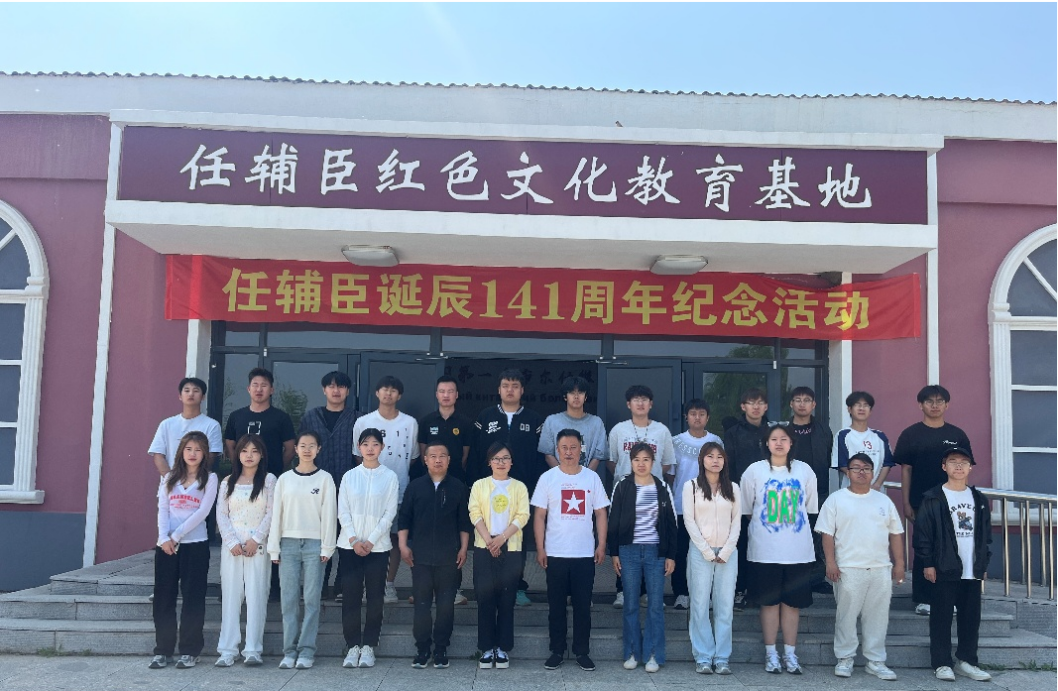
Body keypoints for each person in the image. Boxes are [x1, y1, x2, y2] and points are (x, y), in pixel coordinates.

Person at [816, 452, 904, 681]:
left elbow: (896, 534)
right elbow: (827, 534)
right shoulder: (836, 499)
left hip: (880, 567)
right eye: (856, 468)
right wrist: (830, 563)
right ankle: (845, 658)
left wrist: (899, 564)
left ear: (873, 472)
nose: (861, 472)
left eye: (866, 468)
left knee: (877, 617)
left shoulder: (883, 501)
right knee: (846, 616)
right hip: (848, 568)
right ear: (848, 472)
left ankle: (875, 661)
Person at [741, 423, 818, 675]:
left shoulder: (804, 470)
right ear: (766, 443)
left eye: (784, 439)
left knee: (792, 604)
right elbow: (747, 508)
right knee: (769, 604)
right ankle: (771, 654)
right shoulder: (754, 471)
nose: (779, 443)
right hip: (765, 551)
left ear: (792, 443)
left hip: (797, 551)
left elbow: (809, 507)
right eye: (774, 439)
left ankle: (790, 654)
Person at [532, 429, 610, 672]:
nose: (568, 452)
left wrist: (601, 544)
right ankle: (556, 650)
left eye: (573, 447)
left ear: (580, 450)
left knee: (582, 606)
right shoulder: (548, 478)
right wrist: (540, 547)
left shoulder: (591, 478)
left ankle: (581, 652)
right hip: (555, 553)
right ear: (557, 450)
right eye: (564, 447)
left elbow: (601, 513)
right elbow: (539, 515)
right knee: (556, 606)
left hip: (584, 554)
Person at [913, 447, 993, 682]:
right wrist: (928, 563)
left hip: (972, 568)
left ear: (970, 468)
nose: (958, 466)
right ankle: (941, 663)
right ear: (944, 466)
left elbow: (985, 535)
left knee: (970, 618)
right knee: (941, 617)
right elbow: (923, 534)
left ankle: (967, 661)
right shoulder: (933, 498)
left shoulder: (978, 499)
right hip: (944, 566)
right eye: (953, 461)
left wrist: (982, 563)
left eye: (964, 462)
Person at [895, 385, 973, 616]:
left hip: (953, 502)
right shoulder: (910, 434)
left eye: (940, 401)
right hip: (921, 502)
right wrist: (906, 503)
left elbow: (964, 469)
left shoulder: (957, 435)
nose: (935, 405)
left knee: (952, 549)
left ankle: (950, 599)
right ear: (920, 405)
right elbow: (906, 470)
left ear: (947, 405)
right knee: (924, 550)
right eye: (929, 401)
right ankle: (924, 599)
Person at [267, 430, 337, 670]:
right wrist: (274, 548)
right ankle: (289, 651)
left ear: (319, 449)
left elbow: (329, 514)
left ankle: (307, 650)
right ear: (295, 449)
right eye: (303, 445)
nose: (307, 449)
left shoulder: (325, 479)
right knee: (288, 600)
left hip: (315, 544)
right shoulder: (285, 479)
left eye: (312, 445)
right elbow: (277, 514)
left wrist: (328, 546)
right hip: (287, 544)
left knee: (311, 599)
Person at [398, 442, 472, 670]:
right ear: (425, 460)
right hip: (419, 557)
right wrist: (403, 545)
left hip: (448, 556)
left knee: (445, 606)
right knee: (421, 605)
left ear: (449, 460)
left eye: (442, 456)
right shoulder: (415, 487)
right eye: (433, 456)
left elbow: (464, 522)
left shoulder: (458, 487)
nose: (438, 460)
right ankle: (422, 649)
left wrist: (463, 548)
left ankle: (441, 649)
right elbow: (404, 518)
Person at [473, 369, 543, 606]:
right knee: (488, 536)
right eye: (505, 385)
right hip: (489, 490)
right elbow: (476, 454)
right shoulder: (486, 416)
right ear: (499, 389)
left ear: (522, 390)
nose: (510, 390)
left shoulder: (534, 419)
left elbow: (539, 459)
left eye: (515, 386)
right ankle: (490, 586)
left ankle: (517, 587)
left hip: (520, 491)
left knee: (516, 539)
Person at [149, 431, 219, 670]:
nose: (193, 454)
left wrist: (176, 536)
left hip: (195, 546)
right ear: (181, 452)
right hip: (166, 547)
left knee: (193, 598)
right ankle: (163, 650)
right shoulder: (169, 477)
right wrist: (163, 538)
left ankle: (190, 651)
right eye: (189, 449)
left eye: (198, 450)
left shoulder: (210, 478)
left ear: (205, 454)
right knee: (163, 598)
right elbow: (162, 509)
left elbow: (203, 512)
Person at [608, 443, 676, 673]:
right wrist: (614, 552)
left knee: (655, 604)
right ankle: (632, 652)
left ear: (653, 462)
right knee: (630, 603)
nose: (641, 464)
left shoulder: (662, 487)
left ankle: (653, 654)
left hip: (655, 552)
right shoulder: (622, 487)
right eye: (637, 459)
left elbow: (671, 524)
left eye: (646, 459)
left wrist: (670, 555)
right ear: (630, 461)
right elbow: (613, 521)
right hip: (629, 551)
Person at [352, 375, 420, 604]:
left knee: (393, 538)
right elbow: (357, 456)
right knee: (368, 536)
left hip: (399, 491)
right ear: (377, 393)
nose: (388, 393)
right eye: (384, 389)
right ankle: (369, 586)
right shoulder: (363, 422)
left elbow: (413, 457)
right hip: (368, 492)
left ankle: (388, 585)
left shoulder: (410, 423)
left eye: (393, 390)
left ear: (399, 395)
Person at [607, 384, 674, 607]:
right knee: (624, 539)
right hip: (625, 493)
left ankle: (648, 593)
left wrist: (649, 479)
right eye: (636, 399)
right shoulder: (618, 430)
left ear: (651, 404)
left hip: (652, 493)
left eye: (644, 399)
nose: (640, 403)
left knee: (650, 540)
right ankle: (622, 590)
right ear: (628, 404)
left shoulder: (661, 431)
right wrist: (628, 481)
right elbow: (612, 461)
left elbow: (666, 463)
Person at [337, 428, 399, 670]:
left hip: (378, 547)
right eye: (365, 444)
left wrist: (371, 540)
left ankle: (369, 646)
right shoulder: (349, 476)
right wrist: (354, 539)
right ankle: (352, 645)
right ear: (358, 448)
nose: (370, 448)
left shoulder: (390, 477)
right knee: (351, 596)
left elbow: (390, 513)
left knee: (375, 597)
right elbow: (343, 510)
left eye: (375, 444)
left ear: (382, 447)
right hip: (349, 546)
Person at [215, 434, 276, 667]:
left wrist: (256, 539)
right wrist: (231, 542)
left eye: (254, 451)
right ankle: (228, 650)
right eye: (244, 451)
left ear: (262, 455)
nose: (249, 455)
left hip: (257, 547)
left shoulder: (269, 480)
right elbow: (222, 514)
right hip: (232, 548)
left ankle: (253, 649)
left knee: (256, 595)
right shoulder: (227, 482)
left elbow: (272, 513)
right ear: (237, 454)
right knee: (231, 597)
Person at [469, 442, 530, 669]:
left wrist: (502, 538)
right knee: (485, 598)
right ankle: (486, 648)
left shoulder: (519, 487)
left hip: (510, 548)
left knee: (506, 599)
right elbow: (474, 512)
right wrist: (489, 540)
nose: (501, 462)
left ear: (511, 462)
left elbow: (523, 516)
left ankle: (502, 648)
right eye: (496, 458)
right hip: (484, 546)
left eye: (505, 458)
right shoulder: (479, 485)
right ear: (489, 462)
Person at [298, 371, 358, 601]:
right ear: (324, 390)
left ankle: (343, 586)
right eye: (331, 386)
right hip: (316, 487)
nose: (336, 390)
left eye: (341, 386)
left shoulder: (357, 418)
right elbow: (302, 450)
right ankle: (318, 586)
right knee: (319, 539)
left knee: (346, 538)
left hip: (348, 488)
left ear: (347, 391)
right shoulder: (310, 417)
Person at [684, 441, 741, 676]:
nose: (715, 460)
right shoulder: (691, 486)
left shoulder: (733, 488)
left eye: (719, 456)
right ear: (702, 460)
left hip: (728, 553)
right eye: (710, 456)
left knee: (725, 606)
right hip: (701, 552)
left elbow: (736, 522)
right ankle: (703, 656)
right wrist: (707, 551)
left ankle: (722, 657)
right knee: (699, 604)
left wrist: (726, 550)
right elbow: (689, 520)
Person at [419, 375, 475, 605]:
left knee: (454, 536)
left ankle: (454, 589)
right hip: (430, 486)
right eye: (442, 391)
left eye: (450, 391)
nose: (446, 395)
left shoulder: (465, 423)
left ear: (456, 395)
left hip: (455, 486)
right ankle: (427, 589)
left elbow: (465, 456)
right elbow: (423, 452)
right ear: (436, 394)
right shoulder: (426, 422)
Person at [668, 399, 722, 610]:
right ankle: (681, 593)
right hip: (682, 506)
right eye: (693, 414)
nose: (697, 418)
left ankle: (705, 595)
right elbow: (671, 476)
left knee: (706, 551)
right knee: (681, 552)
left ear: (708, 417)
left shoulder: (715, 441)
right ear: (686, 417)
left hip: (708, 507)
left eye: (701, 414)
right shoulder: (675, 442)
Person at [722, 388, 769, 609]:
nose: (756, 407)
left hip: (770, 500)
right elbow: (728, 467)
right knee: (740, 546)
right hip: (740, 498)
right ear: (743, 407)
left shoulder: (773, 432)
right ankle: (739, 590)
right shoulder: (733, 433)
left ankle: (761, 592)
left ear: (766, 407)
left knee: (765, 547)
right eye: (751, 403)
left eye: (760, 403)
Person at [788, 386, 835, 596]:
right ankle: (793, 579)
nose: (802, 404)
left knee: (817, 536)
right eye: (798, 400)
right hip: (790, 492)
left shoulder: (823, 430)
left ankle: (816, 580)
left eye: (806, 400)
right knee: (792, 535)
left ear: (813, 404)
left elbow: (829, 457)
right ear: (791, 404)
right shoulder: (784, 432)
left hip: (819, 491)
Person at [223, 368, 296, 479]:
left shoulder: (281, 417)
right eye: (255, 385)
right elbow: (229, 446)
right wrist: (238, 468)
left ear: (271, 390)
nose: (259, 389)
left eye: (264, 385)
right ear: (248, 389)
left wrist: (277, 469)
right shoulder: (235, 416)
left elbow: (290, 449)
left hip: (271, 477)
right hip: (240, 478)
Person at [148, 377, 222, 475]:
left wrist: (192, 479)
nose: (191, 394)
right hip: (170, 481)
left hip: (198, 481)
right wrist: (170, 479)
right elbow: (158, 455)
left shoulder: (212, 425)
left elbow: (211, 455)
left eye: (196, 391)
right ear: (180, 396)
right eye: (187, 391)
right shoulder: (166, 424)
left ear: (203, 397)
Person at [539, 375, 608, 473]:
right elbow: (548, 454)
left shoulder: (596, 423)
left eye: (580, 393)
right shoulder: (551, 421)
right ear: (565, 397)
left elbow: (598, 456)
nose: (576, 397)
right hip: (558, 479)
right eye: (572, 393)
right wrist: (563, 476)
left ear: (586, 397)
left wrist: (584, 477)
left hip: (586, 479)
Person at [832, 391, 894, 491]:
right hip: (851, 491)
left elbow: (887, 463)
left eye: (865, 405)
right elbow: (842, 464)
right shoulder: (843, 435)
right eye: (857, 405)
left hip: (876, 492)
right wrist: (861, 484)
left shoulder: (880, 436)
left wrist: (877, 485)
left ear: (870, 411)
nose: (861, 408)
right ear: (849, 409)